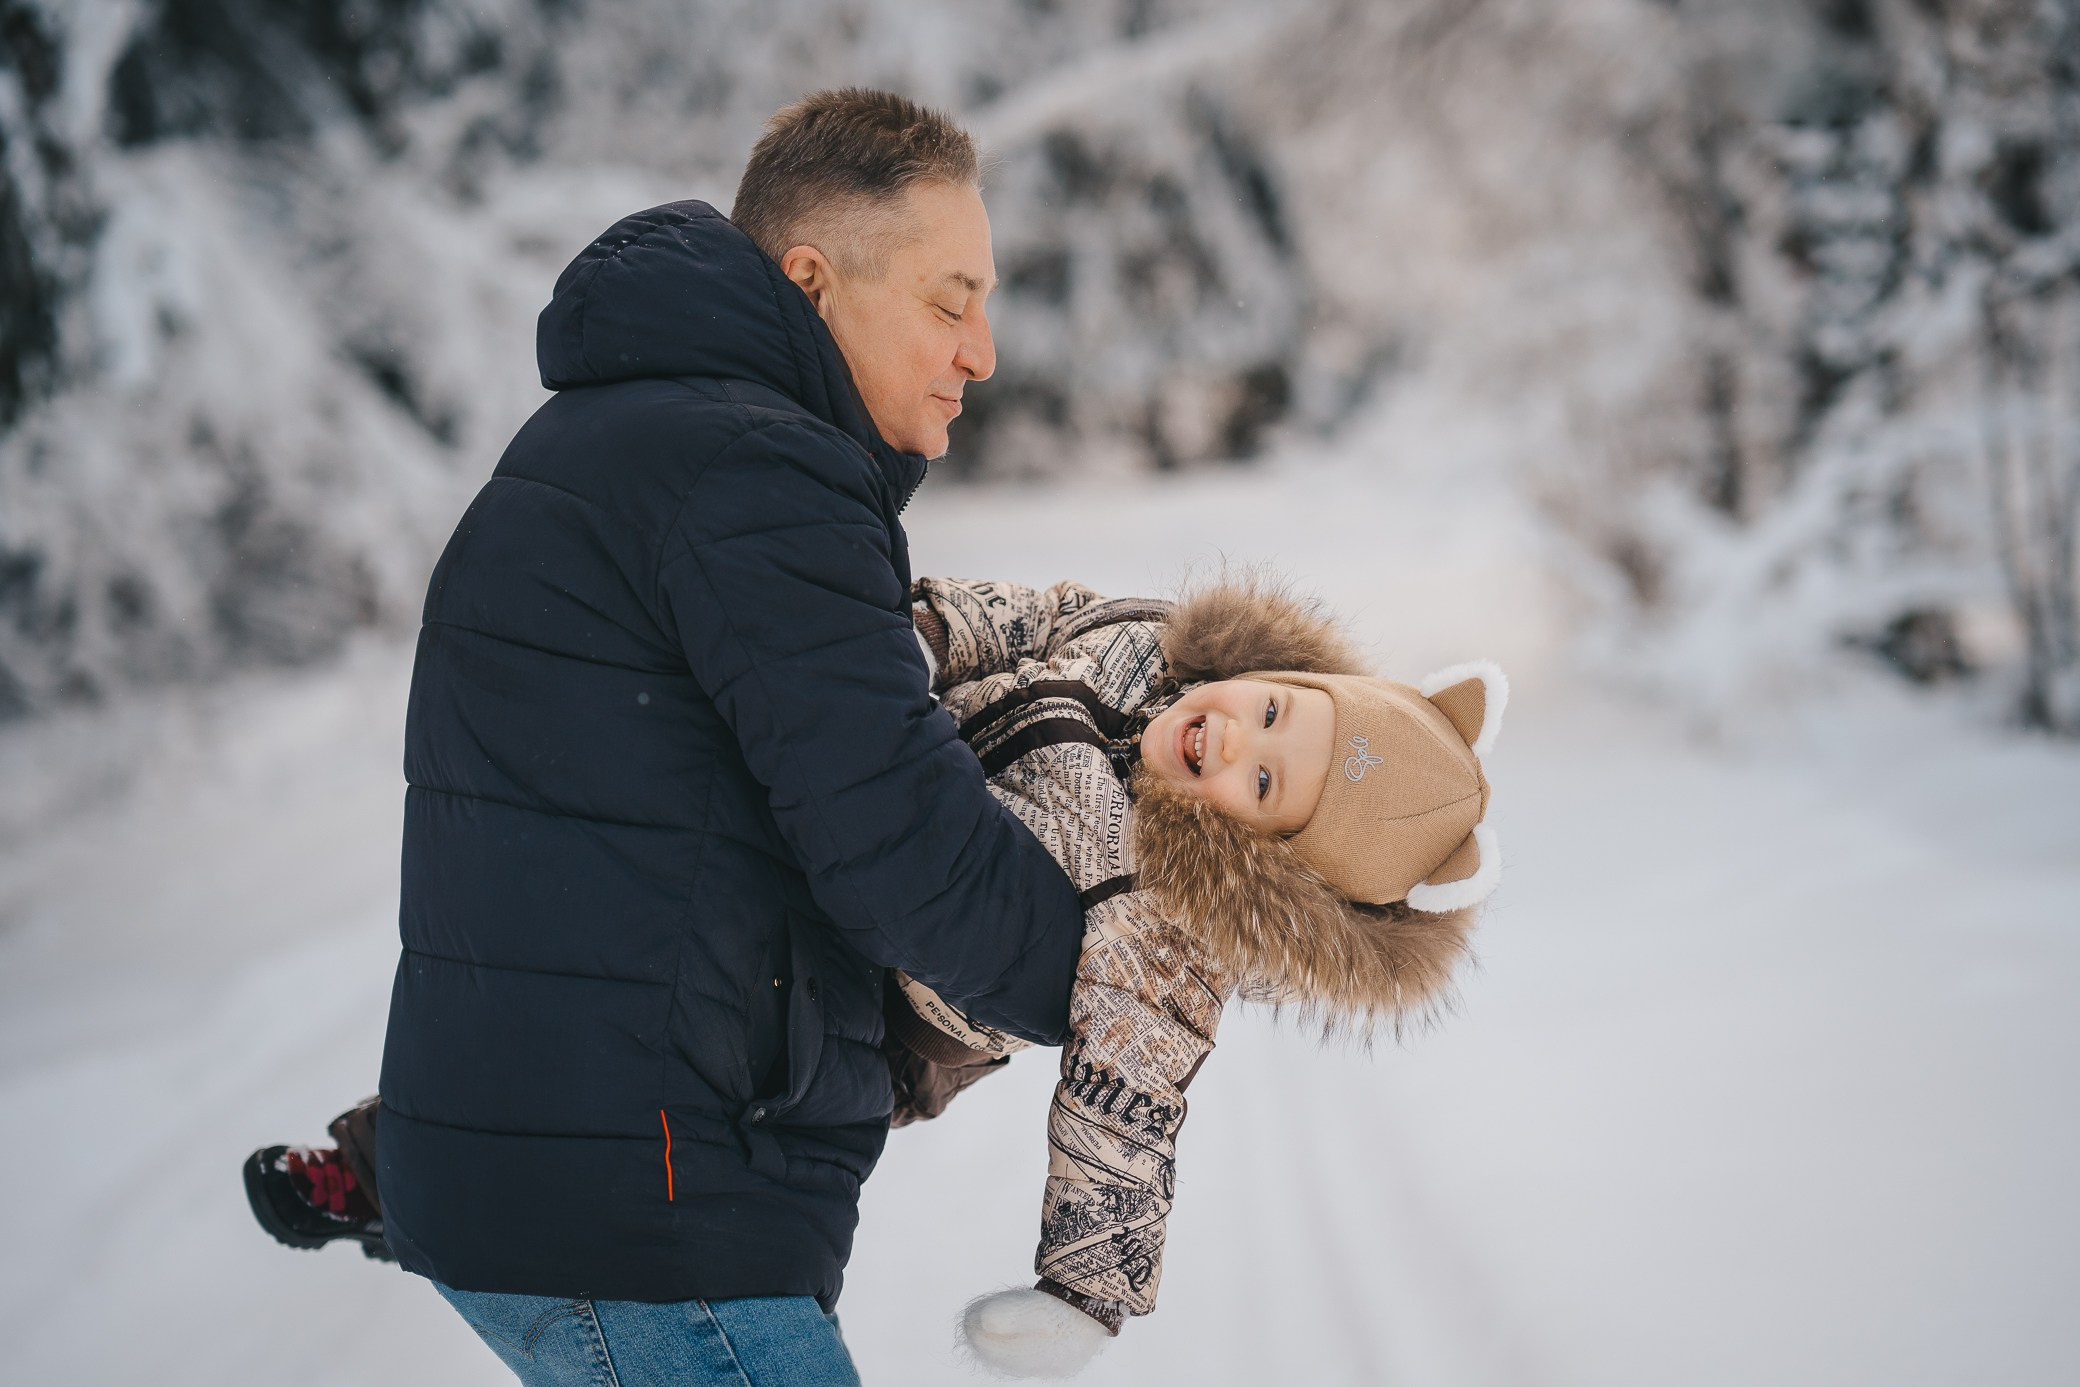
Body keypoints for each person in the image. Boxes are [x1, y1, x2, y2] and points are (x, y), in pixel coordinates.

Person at [247, 573, 1506, 1381]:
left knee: (651, 1098)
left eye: (1266, 785)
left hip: (863, 1022)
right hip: (807, 840)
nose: (1238, 736)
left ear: (1260, 858)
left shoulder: (1162, 918)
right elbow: (1012, 615)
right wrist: (898, 633)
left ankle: (391, 1178)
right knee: (578, 998)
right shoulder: (1139, 645)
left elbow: (1129, 1108)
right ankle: (395, 1153)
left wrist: (1086, 1295)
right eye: (1277, 708)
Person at [335, 89, 1092, 1386]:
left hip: (588, 1192)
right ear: (812, 280)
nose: (983, 351)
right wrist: (1119, 970)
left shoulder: (630, 441)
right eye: (948, 299)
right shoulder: (750, 473)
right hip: (644, 1220)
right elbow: (894, 831)